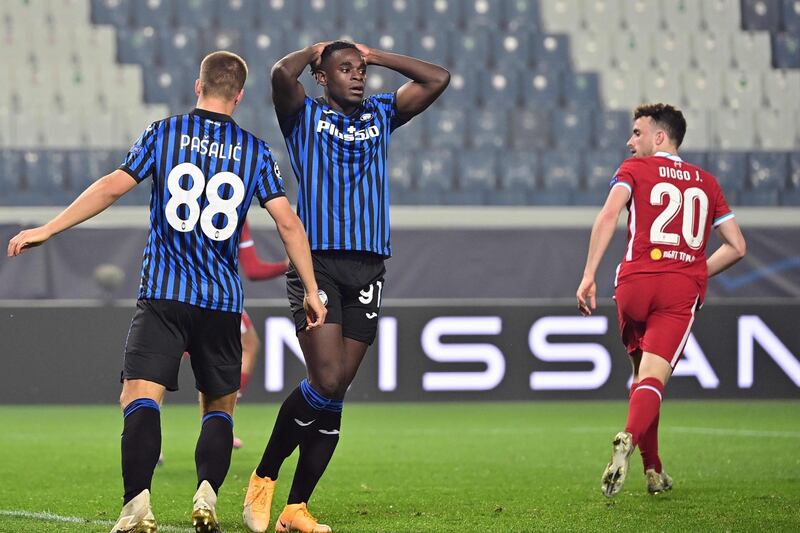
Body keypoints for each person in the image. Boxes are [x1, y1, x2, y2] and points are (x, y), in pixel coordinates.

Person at [7, 51, 326, 533]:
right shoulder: (256, 152)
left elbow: (113, 187)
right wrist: (313, 289)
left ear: (197, 86)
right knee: (219, 406)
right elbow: (288, 223)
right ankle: (206, 496)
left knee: (139, 396)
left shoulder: (163, 133)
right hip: (220, 303)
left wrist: (49, 229)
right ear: (239, 96)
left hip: (163, 295)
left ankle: (137, 506)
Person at [242, 41, 449, 533]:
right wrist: (315, 49)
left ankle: (296, 508)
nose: (358, 77)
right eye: (345, 69)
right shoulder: (302, 116)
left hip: (369, 267)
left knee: (336, 393)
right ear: (321, 78)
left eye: (360, 70)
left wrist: (376, 55)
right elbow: (278, 74)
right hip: (318, 266)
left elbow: (437, 78)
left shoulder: (381, 113)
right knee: (327, 378)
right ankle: (264, 477)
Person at [575, 103, 746, 498]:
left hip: (633, 283)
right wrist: (696, 271)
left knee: (640, 379)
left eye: (637, 132)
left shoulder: (632, 171)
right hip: (678, 290)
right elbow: (737, 246)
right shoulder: (707, 181)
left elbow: (608, 216)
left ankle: (654, 470)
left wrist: (588, 275)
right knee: (652, 380)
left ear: (659, 137)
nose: (629, 141)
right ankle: (629, 440)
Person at [235, 219, 290, 448]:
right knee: (247, 346)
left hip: (170, 293)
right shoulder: (235, 206)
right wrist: (287, 265)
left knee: (163, 364)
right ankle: (223, 425)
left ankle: (148, 441)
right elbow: (254, 270)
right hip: (216, 294)